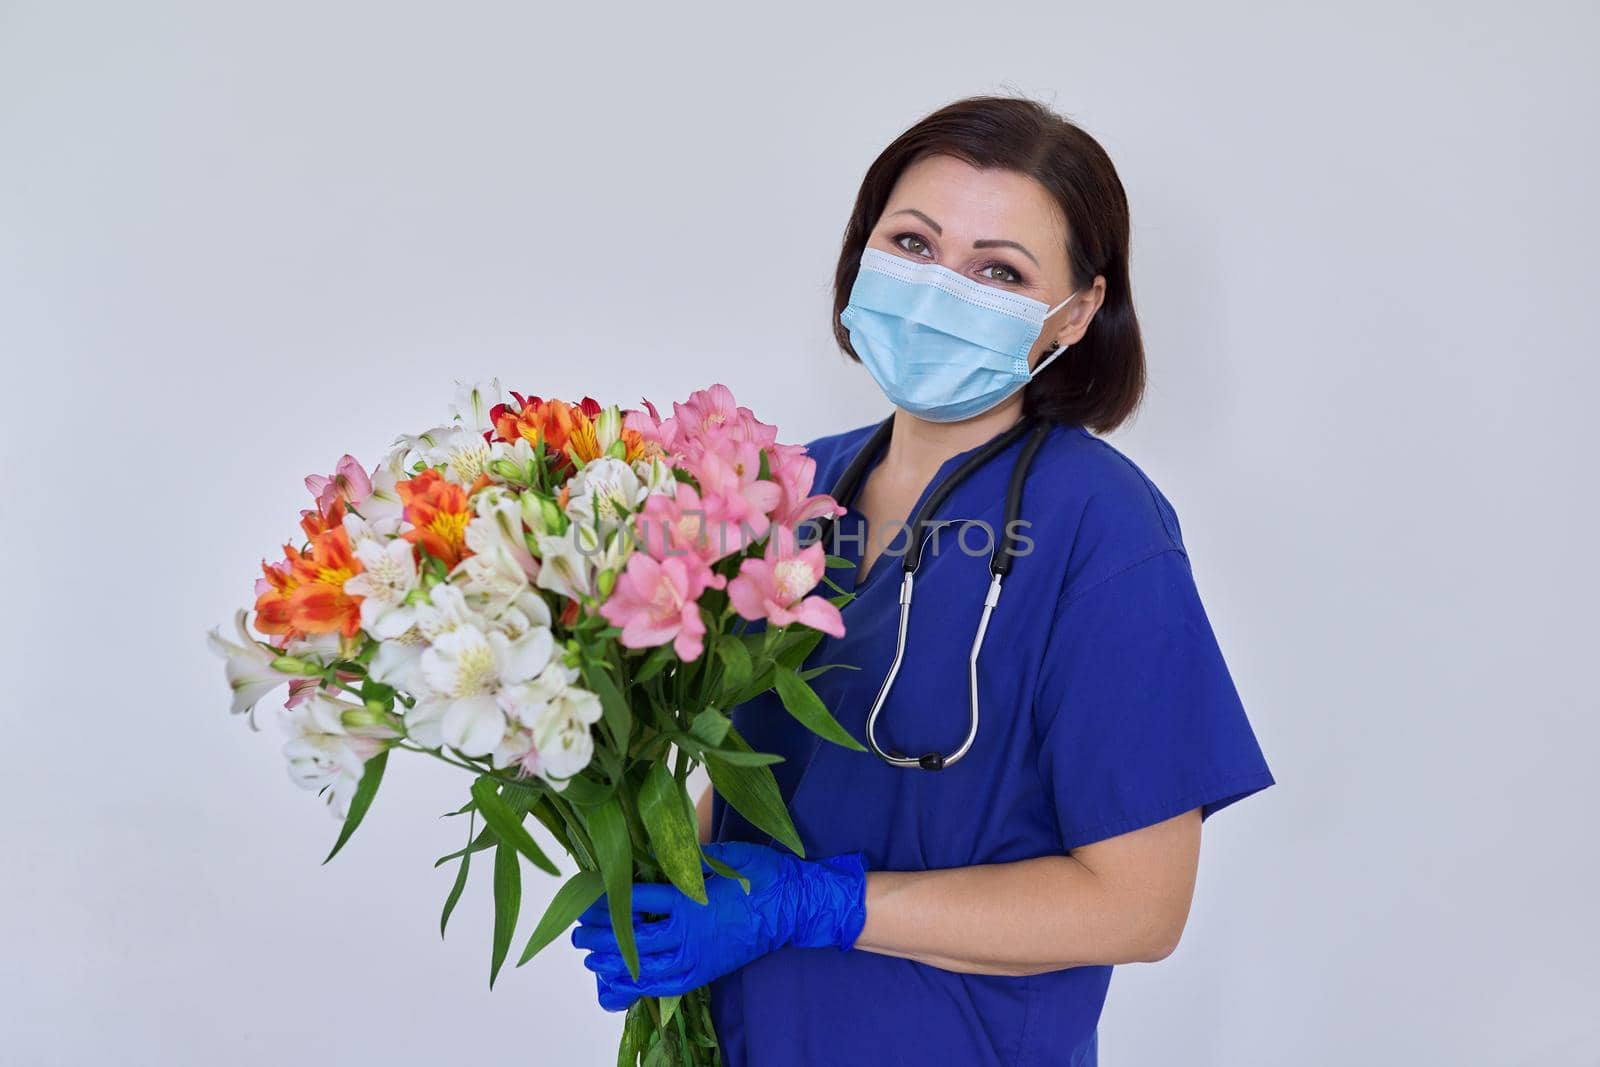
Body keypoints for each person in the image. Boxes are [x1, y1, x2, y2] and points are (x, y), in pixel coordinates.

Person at [570, 94, 1276, 1067]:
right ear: (864, 250)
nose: (940, 287)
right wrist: (656, 869)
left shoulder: (1100, 526)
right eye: (912, 241)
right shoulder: (774, 495)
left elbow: (1138, 904)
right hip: (741, 1038)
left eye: (997, 269)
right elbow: (754, 768)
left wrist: (817, 902)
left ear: (1073, 315)